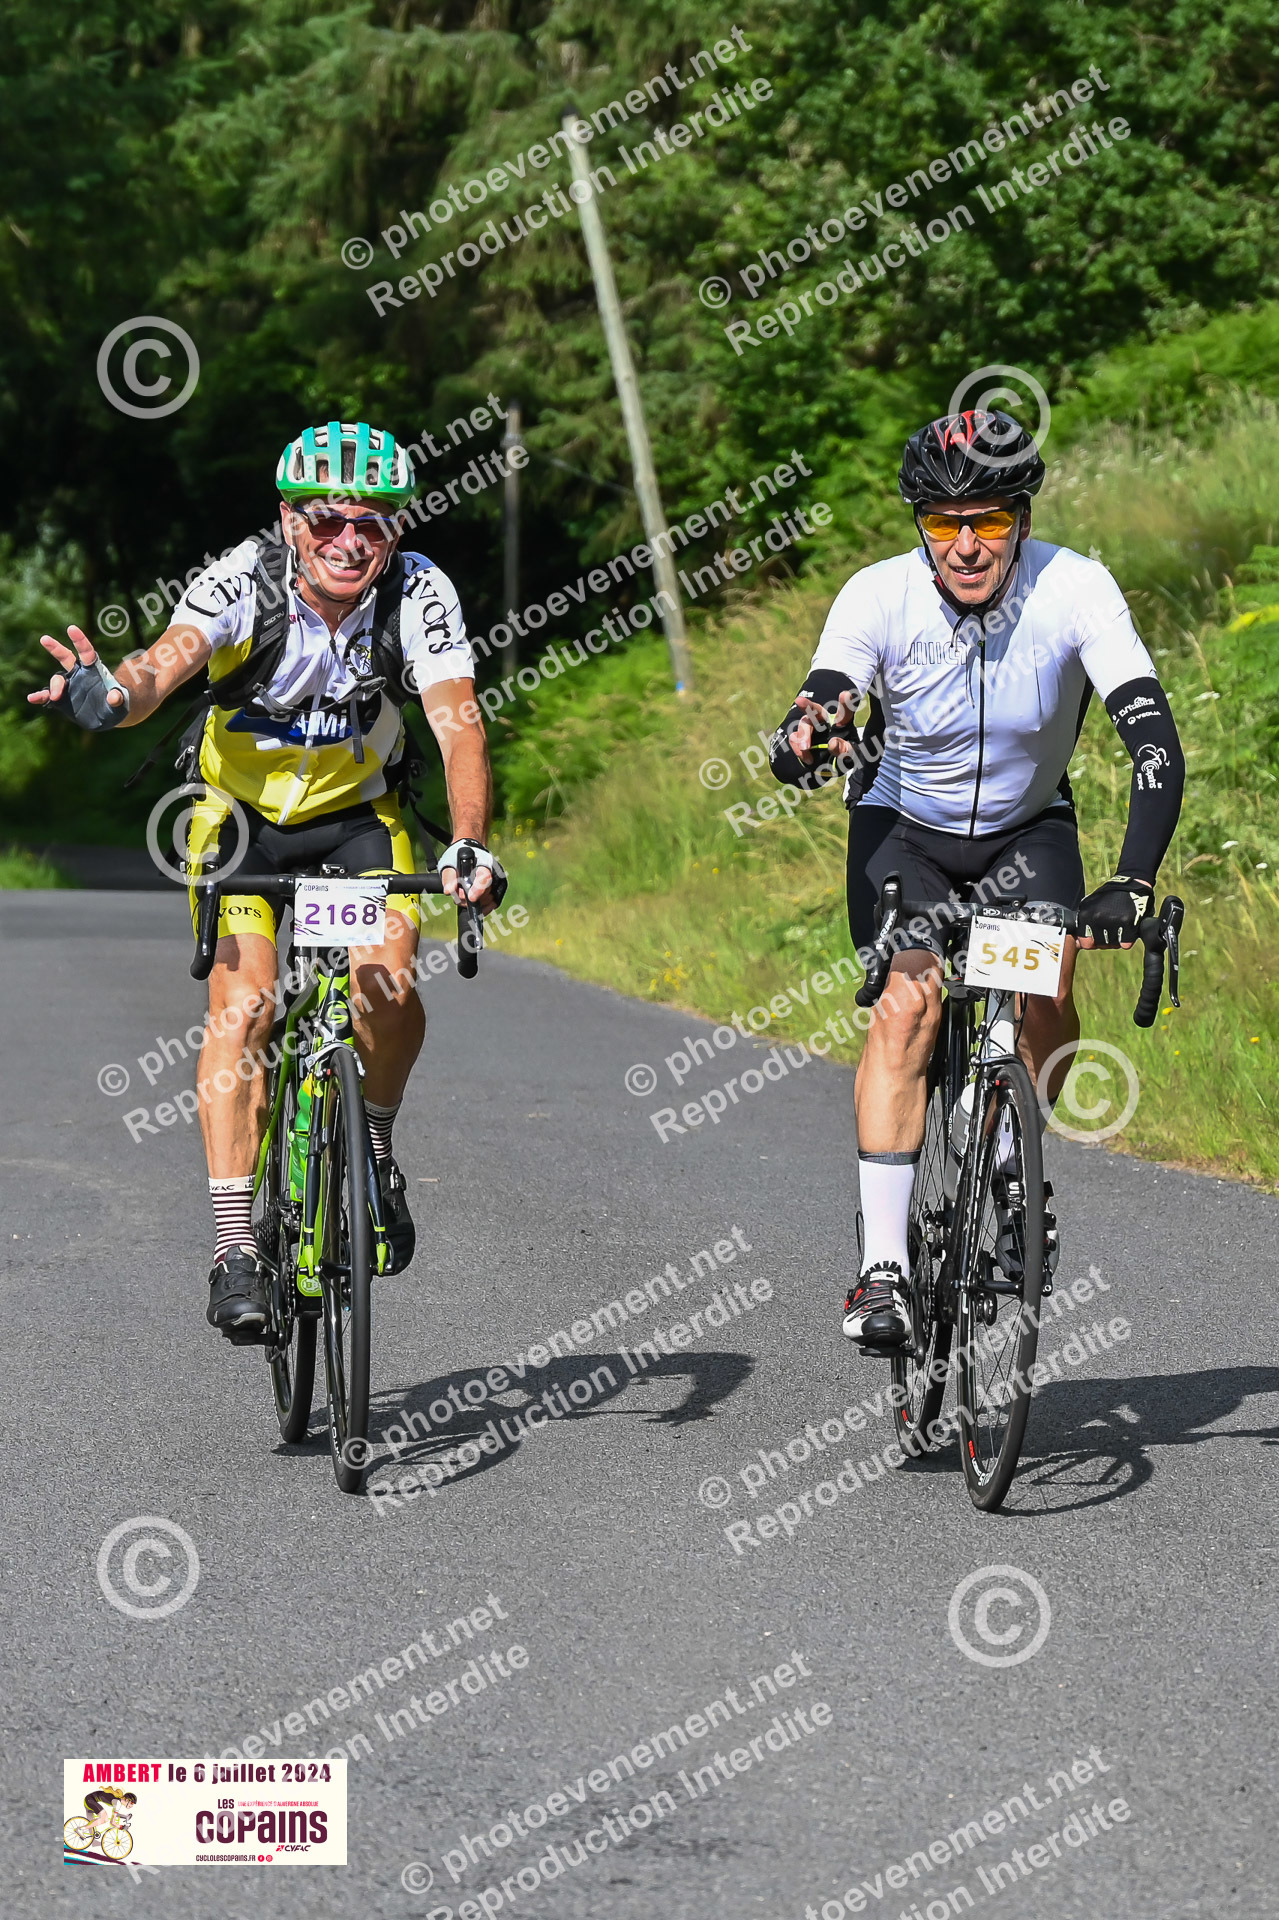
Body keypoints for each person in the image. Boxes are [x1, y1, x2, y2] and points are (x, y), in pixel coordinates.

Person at [30, 421, 503, 1342]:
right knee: (243, 1006)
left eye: (373, 521)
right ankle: (234, 1246)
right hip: (239, 821)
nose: (350, 540)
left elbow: (458, 723)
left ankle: (373, 1142)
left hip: (356, 818)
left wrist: (468, 844)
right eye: (328, 520)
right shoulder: (240, 579)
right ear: (289, 520)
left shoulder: (419, 590)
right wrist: (109, 698)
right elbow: (161, 666)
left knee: (385, 986)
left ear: (396, 529)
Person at [768, 408, 1184, 1351]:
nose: (964, 544)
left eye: (987, 520)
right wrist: (809, 731)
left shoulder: (1075, 588)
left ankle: (1004, 1140)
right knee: (907, 1004)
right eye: (942, 522)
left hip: (1026, 831)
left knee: (1046, 994)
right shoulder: (878, 595)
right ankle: (883, 1268)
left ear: (1021, 520)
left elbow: (1153, 742)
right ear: (919, 525)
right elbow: (829, 689)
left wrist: (1131, 880)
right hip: (901, 832)